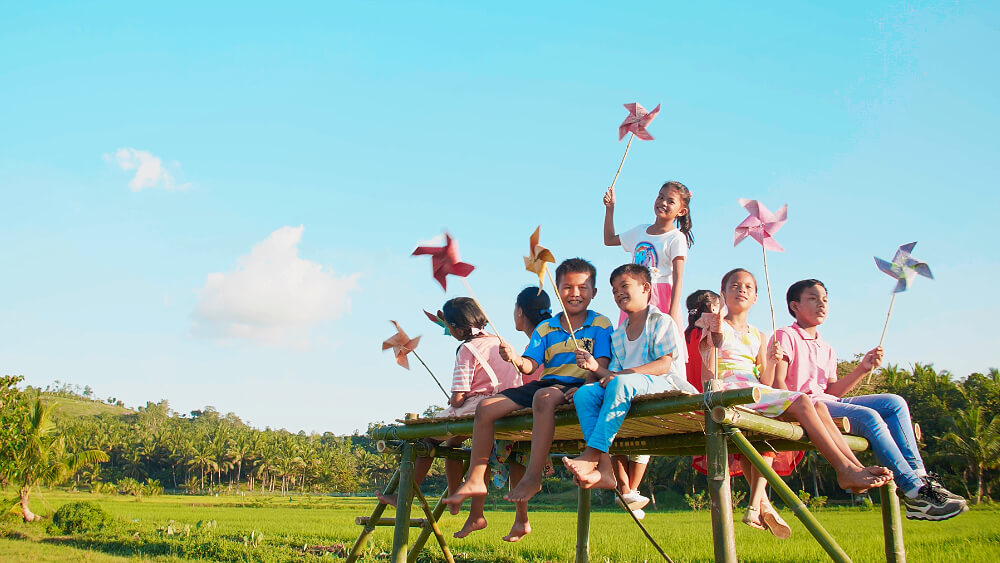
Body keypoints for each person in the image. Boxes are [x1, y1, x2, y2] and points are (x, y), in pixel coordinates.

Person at [700, 269, 892, 538]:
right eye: (734, 285)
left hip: (753, 393)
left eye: (747, 287)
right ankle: (844, 469)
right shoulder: (713, 323)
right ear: (723, 293)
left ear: (756, 297)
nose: (741, 290)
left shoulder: (759, 335)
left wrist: (771, 358)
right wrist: (711, 389)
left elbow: (765, 381)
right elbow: (707, 365)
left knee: (821, 407)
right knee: (802, 400)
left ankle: (853, 467)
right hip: (728, 391)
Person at [773, 279, 968, 521]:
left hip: (827, 401)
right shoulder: (786, 335)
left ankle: (921, 477)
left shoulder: (827, 348)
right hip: (808, 406)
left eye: (824, 298)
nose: (821, 304)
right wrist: (784, 411)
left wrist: (862, 369)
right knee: (869, 416)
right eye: (812, 298)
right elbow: (779, 384)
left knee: (894, 402)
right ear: (795, 306)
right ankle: (912, 489)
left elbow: (833, 391)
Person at [444, 259, 613, 519]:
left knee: (544, 398)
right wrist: (513, 356)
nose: (575, 293)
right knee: (487, 407)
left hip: (577, 384)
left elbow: (602, 363)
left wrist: (586, 385)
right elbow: (529, 365)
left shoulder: (601, 324)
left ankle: (533, 477)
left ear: (594, 292)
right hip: (548, 381)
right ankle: (476, 476)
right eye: (567, 287)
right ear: (557, 291)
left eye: (583, 287)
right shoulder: (546, 328)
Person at [376, 297, 522, 538]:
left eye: (450, 327)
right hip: (510, 406)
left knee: (426, 439)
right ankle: (460, 501)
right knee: (459, 444)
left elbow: (458, 396)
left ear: (455, 327)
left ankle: (412, 494)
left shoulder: (466, 348)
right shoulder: (501, 340)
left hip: (480, 407)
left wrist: (454, 400)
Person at [562, 264, 697, 518]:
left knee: (620, 383)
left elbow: (663, 364)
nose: (618, 294)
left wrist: (617, 377)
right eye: (614, 291)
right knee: (585, 394)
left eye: (624, 286)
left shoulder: (661, 321)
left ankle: (591, 455)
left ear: (646, 288)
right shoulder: (618, 334)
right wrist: (593, 368)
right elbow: (610, 375)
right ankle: (603, 468)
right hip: (628, 388)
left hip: (665, 385)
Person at [603, 180, 694, 503]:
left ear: (681, 210)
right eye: (660, 197)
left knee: (660, 375)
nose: (662, 204)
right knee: (626, 365)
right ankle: (625, 487)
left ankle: (633, 485)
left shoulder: (676, 237)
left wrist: (672, 313)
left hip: (660, 298)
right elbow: (609, 240)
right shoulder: (641, 229)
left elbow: (679, 276)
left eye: (670, 201)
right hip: (633, 302)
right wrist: (610, 208)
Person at [686, 287, 801, 535]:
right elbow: (713, 372)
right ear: (715, 306)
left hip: (716, 396)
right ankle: (758, 504)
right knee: (765, 433)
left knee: (754, 443)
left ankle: (763, 505)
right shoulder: (710, 330)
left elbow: (763, 378)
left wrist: (769, 360)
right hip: (720, 397)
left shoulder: (692, 332)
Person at [481, 286, 552, 542]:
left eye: (514, 309)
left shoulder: (541, 341)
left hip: (543, 409)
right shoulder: (540, 338)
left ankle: (476, 501)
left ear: (520, 312)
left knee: (499, 432)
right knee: (515, 451)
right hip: (535, 409)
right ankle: (520, 519)